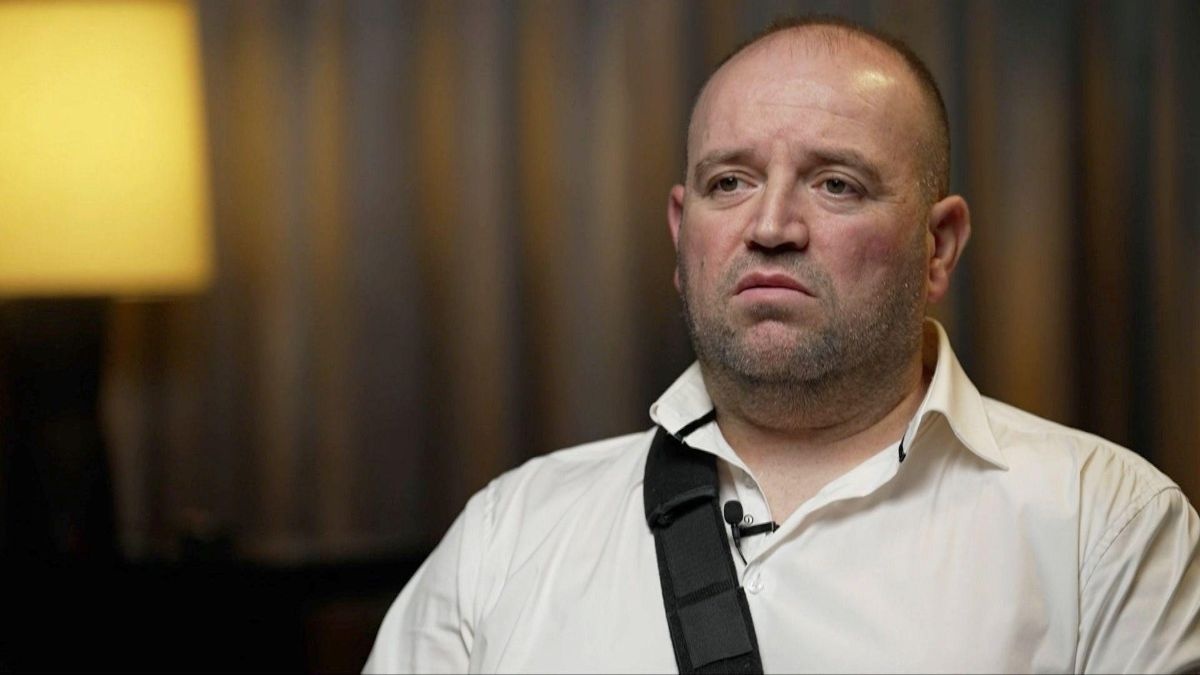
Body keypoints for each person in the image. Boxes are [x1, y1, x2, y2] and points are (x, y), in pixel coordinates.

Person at [364, 16, 1200, 673]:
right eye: (729, 182)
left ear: (938, 246)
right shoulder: (509, 531)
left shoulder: (1107, 528)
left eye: (837, 183)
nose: (770, 226)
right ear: (682, 231)